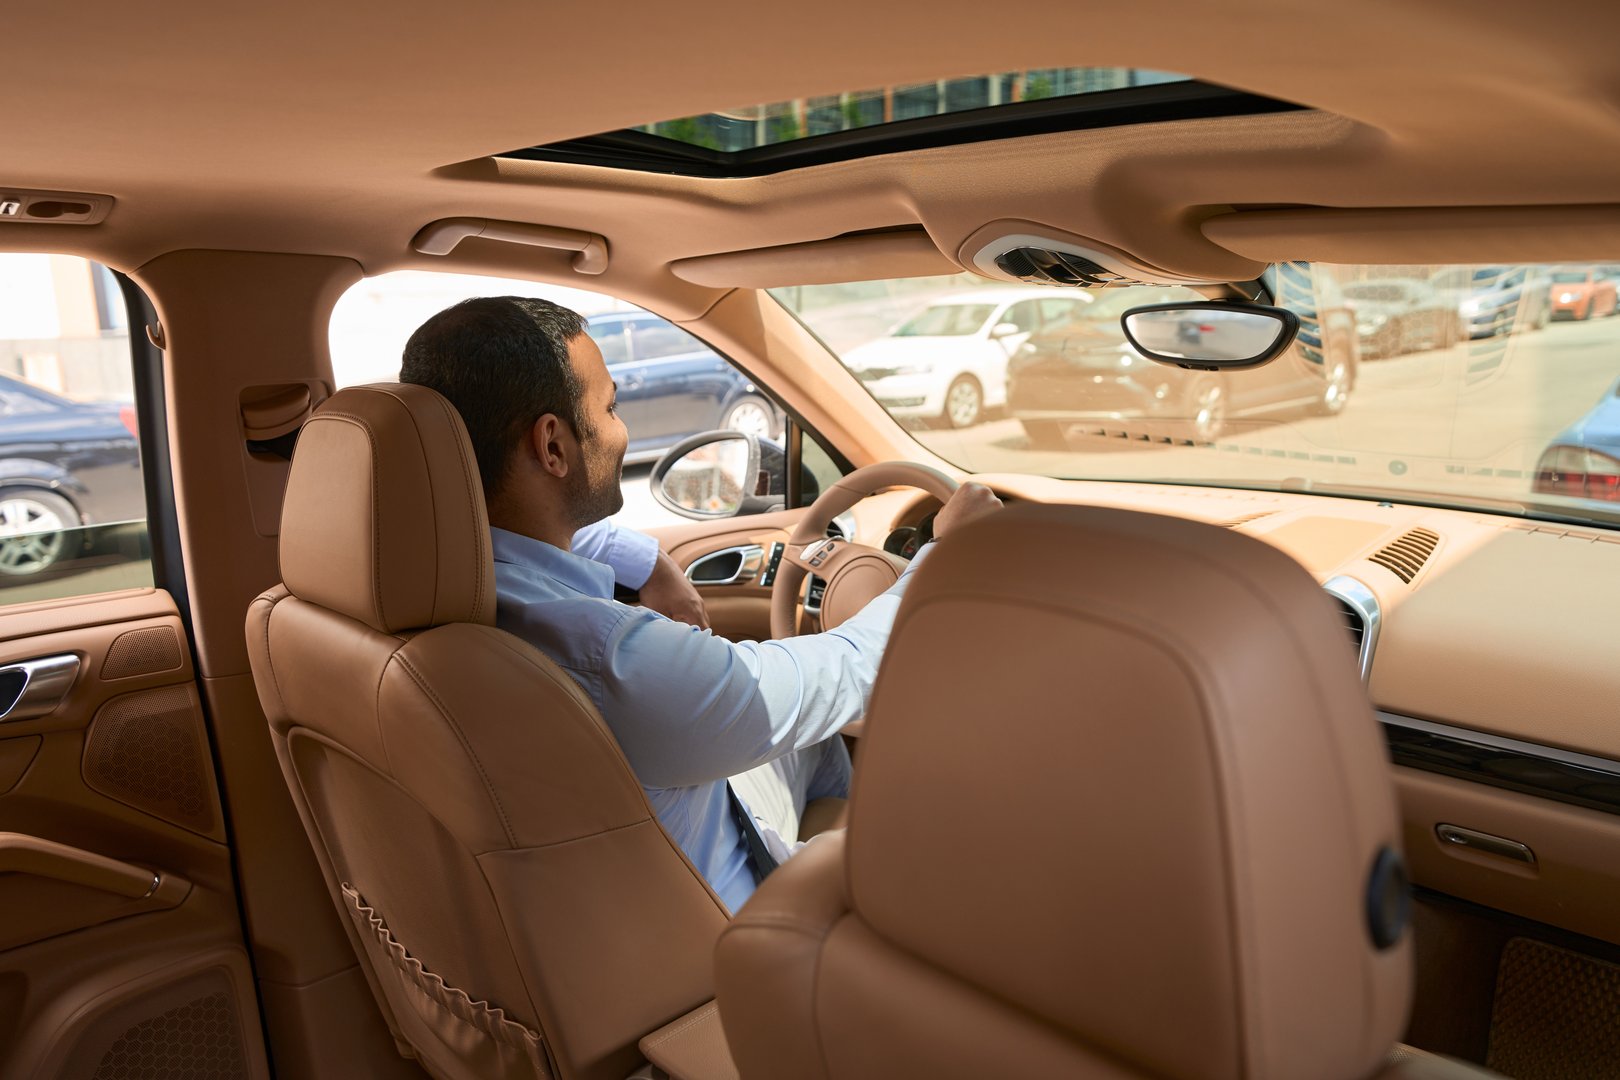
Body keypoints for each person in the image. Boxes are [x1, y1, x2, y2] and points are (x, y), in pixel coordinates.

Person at [400, 296, 1001, 911]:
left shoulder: (425, 581)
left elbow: (581, 539)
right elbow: (840, 669)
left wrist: (652, 564)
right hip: (724, 935)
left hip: (598, 897)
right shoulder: (604, 653)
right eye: (610, 408)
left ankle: (837, 835)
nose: (620, 429)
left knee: (813, 743)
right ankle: (844, 902)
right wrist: (944, 557)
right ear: (553, 446)